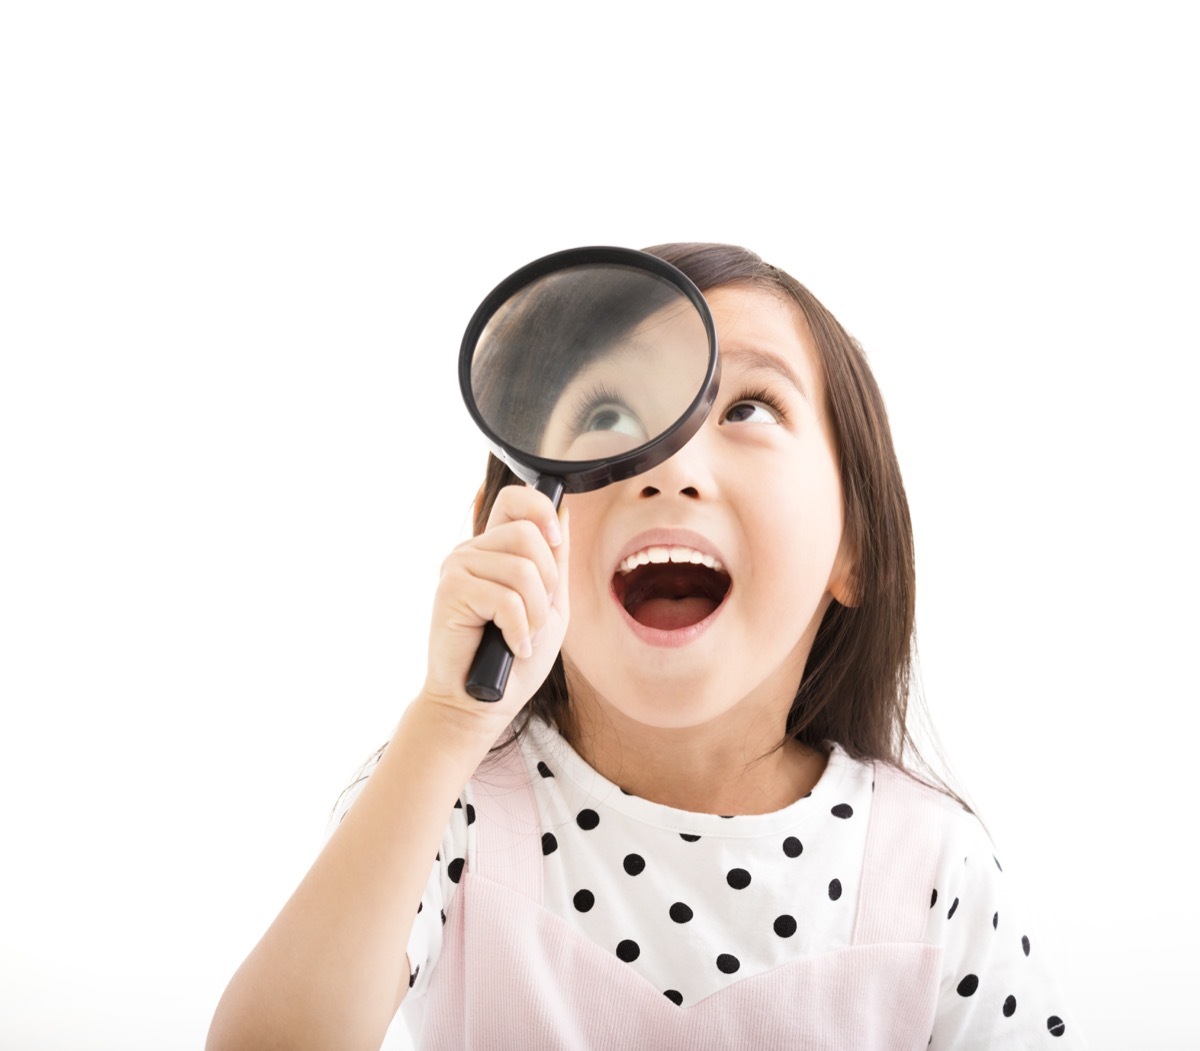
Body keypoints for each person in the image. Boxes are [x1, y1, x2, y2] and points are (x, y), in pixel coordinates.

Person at [206, 243, 1082, 1050]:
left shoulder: (929, 867)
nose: (668, 466)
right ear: (518, 523)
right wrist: (444, 724)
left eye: (746, 406)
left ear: (855, 544)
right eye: (609, 412)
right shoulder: (448, 809)